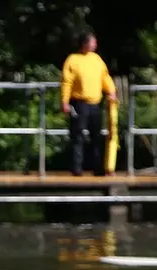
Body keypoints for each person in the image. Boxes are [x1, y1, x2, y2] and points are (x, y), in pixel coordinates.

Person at [61, 31, 117, 177]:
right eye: (92, 42)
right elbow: (67, 82)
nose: (95, 44)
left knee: (96, 136)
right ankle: (76, 168)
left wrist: (111, 90)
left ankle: (98, 167)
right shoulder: (73, 60)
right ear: (84, 43)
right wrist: (65, 101)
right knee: (77, 135)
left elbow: (105, 77)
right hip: (79, 102)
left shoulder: (97, 59)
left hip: (95, 104)